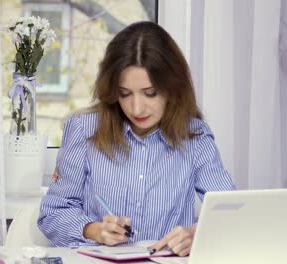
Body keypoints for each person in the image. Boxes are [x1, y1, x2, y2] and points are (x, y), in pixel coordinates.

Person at [38, 21, 235, 257]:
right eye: (125, 94)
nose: (137, 107)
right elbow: (53, 212)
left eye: (150, 93)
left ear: (173, 87)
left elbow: (229, 213)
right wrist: (94, 230)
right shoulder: (85, 129)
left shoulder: (195, 136)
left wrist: (196, 233)